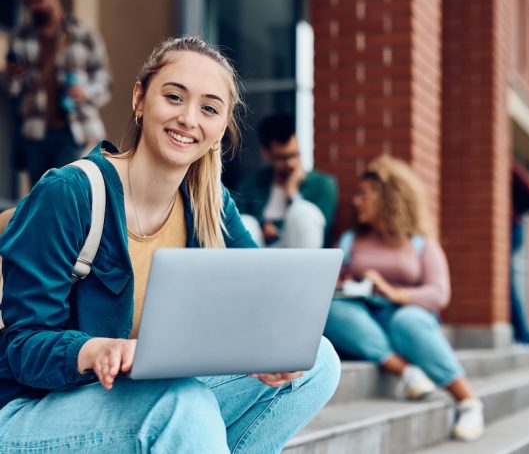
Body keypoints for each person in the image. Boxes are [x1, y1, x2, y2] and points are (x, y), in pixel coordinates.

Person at [0, 36, 341, 453]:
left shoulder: (210, 205)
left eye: (209, 108)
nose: (188, 119)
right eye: (174, 97)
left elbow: (261, 306)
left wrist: (265, 349)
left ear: (220, 129)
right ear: (140, 99)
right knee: (182, 404)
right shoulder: (70, 192)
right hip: (29, 412)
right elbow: (22, 346)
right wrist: (92, 349)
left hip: (136, 400)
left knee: (317, 363)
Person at [324, 154, 485, 442]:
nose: (356, 201)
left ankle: (469, 402)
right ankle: (407, 371)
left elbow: (439, 294)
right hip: (364, 316)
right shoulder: (350, 241)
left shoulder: (420, 243)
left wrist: (394, 292)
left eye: (365, 194)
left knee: (408, 321)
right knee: (333, 311)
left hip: (407, 315)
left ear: (389, 197)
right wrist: (343, 282)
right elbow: (330, 282)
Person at [5, 0, 111, 186]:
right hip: (35, 133)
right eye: (28, 2)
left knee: (71, 192)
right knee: (41, 194)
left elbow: (105, 81)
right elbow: (14, 90)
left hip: (75, 131)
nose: (33, 7)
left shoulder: (84, 35)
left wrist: (86, 92)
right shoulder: (21, 39)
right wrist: (13, 77)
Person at [235, 113, 338, 248]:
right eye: (282, 158)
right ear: (266, 153)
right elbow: (235, 224)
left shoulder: (322, 185)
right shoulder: (250, 185)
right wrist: (262, 225)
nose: (291, 163)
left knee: (303, 212)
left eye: (295, 154)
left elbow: (320, 230)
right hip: (261, 252)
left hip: (298, 254)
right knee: (246, 222)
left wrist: (293, 194)